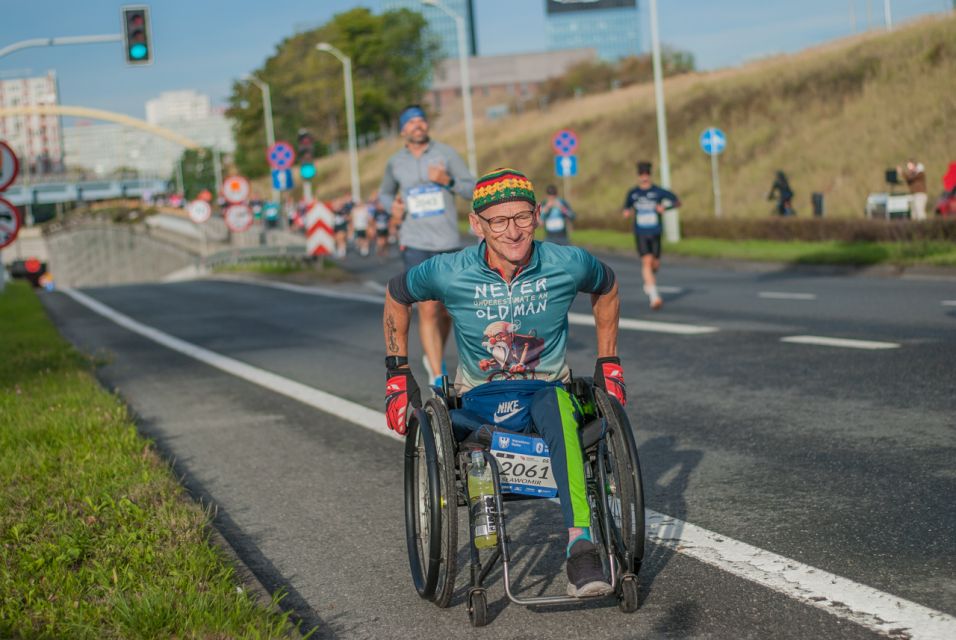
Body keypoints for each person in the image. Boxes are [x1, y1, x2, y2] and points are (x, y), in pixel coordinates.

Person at [383, 168, 626, 598]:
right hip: (480, 400)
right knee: (450, 428)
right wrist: (398, 376)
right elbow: (397, 294)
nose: (513, 231)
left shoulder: (567, 263)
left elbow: (607, 287)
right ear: (477, 224)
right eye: (499, 221)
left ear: (537, 216)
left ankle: (581, 546)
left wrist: (609, 361)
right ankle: (486, 495)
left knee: (560, 410)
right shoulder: (450, 270)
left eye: (522, 218)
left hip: (545, 394)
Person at [379, 105, 477, 386]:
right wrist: (392, 207)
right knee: (428, 307)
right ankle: (437, 374)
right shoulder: (395, 162)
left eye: (422, 121)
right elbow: (384, 194)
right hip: (414, 241)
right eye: (412, 123)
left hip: (446, 240)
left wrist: (446, 180)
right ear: (403, 130)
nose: (418, 126)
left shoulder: (445, 154)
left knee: (446, 309)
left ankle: (436, 355)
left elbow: (472, 188)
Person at [621, 161, 680, 310]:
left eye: (646, 174)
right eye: (641, 174)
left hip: (655, 232)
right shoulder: (633, 193)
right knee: (646, 262)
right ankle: (654, 297)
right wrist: (627, 212)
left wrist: (665, 207)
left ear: (650, 175)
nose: (644, 177)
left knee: (655, 264)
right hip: (641, 232)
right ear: (638, 176)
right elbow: (625, 208)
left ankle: (649, 281)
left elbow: (677, 202)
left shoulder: (658, 191)